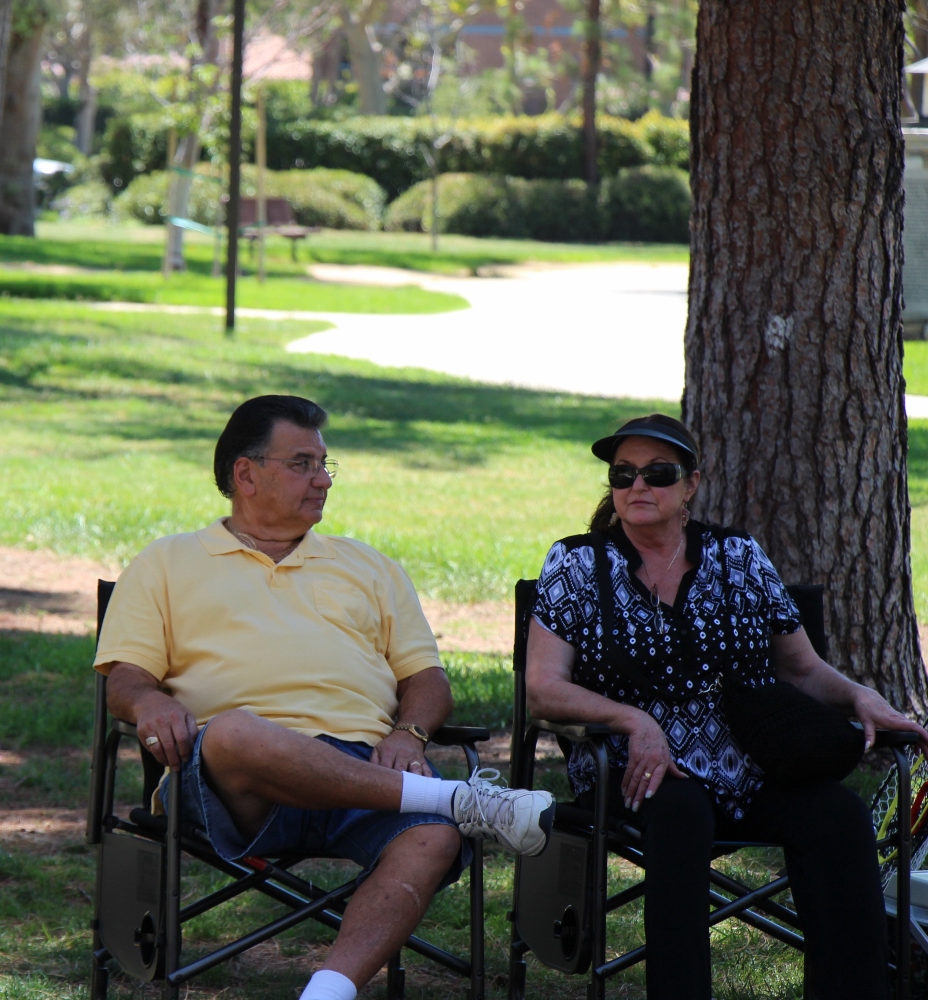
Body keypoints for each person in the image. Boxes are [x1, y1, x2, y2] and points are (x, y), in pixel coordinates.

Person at [94, 394, 553, 1000]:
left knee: (435, 837)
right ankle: (457, 800)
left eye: (324, 464)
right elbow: (126, 678)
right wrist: (150, 704)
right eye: (303, 464)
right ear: (245, 474)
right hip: (235, 782)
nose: (323, 480)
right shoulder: (166, 562)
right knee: (235, 731)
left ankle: (328, 992)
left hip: (364, 765)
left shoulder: (368, 566)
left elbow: (426, 679)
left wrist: (408, 733)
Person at [525, 412, 928, 1000]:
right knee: (681, 812)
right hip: (635, 768)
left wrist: (859, 696)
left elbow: (800, 668)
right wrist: (634, 720)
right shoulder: (577, 563)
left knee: (838, 816)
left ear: (690, 484)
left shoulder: (738, 556)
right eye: (623, 473)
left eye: (658, 473)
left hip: (749, 764)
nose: (638, 485)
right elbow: (542, 687)